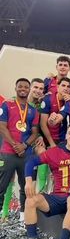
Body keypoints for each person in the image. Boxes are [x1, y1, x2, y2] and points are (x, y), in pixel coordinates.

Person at [14, 123, 70, 239]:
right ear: (66, 136)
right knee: (31, 200)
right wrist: (28, 182)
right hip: (56, 197)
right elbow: (31, 162)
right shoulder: (55, 151)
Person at [0, 78, 39, 221]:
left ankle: (24, 218)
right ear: (16, 88)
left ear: (29, 90)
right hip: (8, 152)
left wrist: (24, 145)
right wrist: (15, 144)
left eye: (26, 87)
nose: (23, 89)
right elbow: (2, 126)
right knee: (1, 186)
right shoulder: (7, 105)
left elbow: (34, 132)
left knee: (25, 187)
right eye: (20, 86)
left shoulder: (33, 111)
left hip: (25, 154)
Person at [40, 77, 70, 147]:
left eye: (68, 86)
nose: (66, 88)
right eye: (63, 85)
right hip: (49, 139)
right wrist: (51, 143)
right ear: (58, 86)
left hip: (64, 139)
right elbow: (43, 124)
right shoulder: (48, 99)